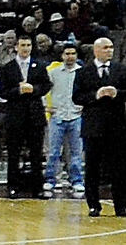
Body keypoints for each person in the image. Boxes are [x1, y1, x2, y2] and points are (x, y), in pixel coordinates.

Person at [75, 35, 126, 215]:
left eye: (111, 47)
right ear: (96, 50)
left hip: (116, 127)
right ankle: (93, 205)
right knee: (92, 168)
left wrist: (116, 93)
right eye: (106, 47)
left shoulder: (121, 70)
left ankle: (121, 205)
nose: (110, 50)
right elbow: (77, 97)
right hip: (93, 127)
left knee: (118, 168)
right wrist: (94, 96)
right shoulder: (83, 72)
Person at [0, 36, 47, 196]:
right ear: (16, 47)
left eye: (28, 45)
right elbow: (3, 93)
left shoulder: (39, 65)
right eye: (22, 45)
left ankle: (38, 188)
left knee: (36, 154)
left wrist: (34, 89)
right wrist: (18, 91)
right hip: (15, 116)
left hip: (35, 116)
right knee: (14, 153)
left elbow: (46, 85)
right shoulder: (7, 68)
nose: (25, 48)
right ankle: (13, 186)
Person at [46, 42, 85, 202]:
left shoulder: (83, 72)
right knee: (53, 151)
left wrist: (83, 106)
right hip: (57, 115)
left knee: (76, 152)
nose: (70, 57)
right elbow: (44, 90)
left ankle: (76, 180)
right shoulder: (53, 72)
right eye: (67, 54)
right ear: (62, 56)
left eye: (72, 54)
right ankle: (50, 179)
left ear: (76, 55)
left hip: (76, 115)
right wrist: (47, 106)